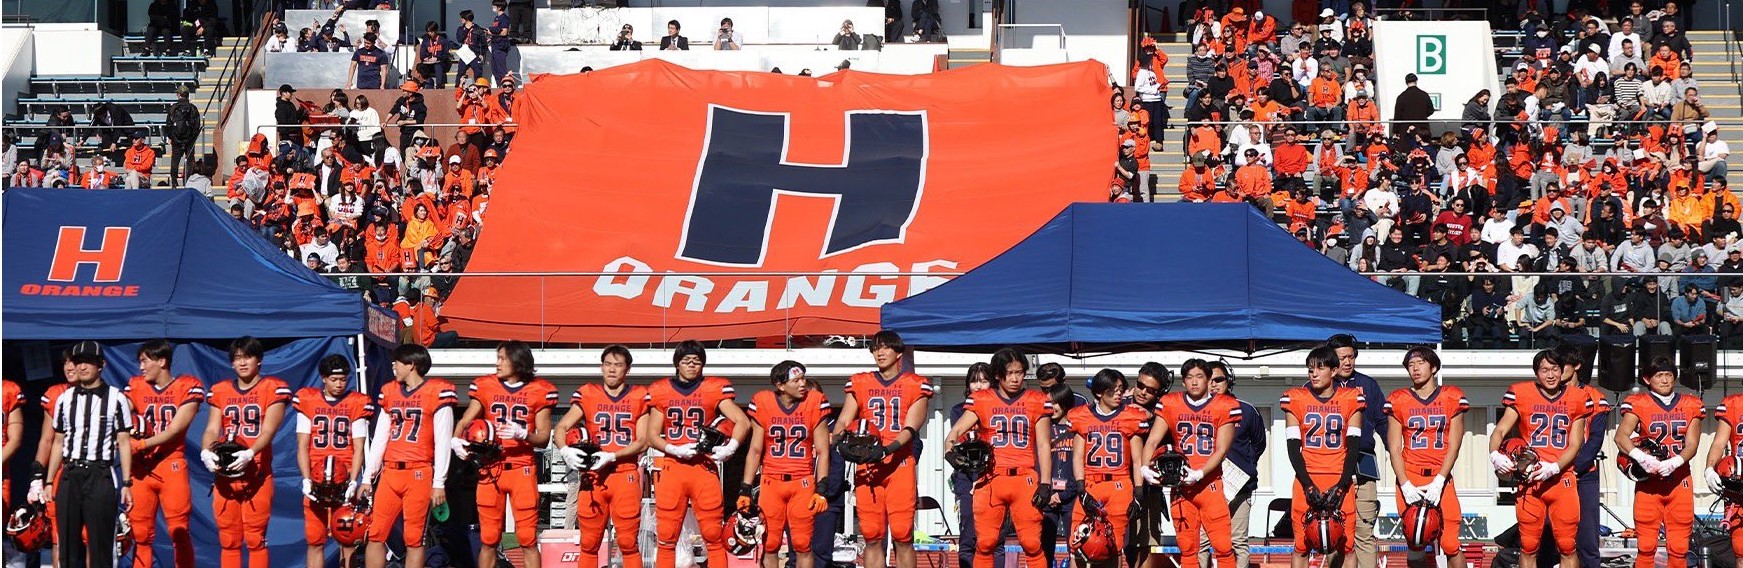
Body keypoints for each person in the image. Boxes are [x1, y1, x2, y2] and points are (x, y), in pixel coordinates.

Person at [644, 340, 753, 568]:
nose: (692, 365)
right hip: (673, 466)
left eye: (697, 361)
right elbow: (652, 435)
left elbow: (742, 421)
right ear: (677, 364)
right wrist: (673, 448)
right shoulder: (660, 390)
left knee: (713, 533)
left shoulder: (713, 388)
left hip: (703, 466)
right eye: (687, 361)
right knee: (666, 535)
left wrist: (730, 447)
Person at [946, 348, 1054, 568]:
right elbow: (954, 432)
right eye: (1009, 373)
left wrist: (1045, 483)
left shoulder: (1037, 400)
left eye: (1019, 372)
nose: (1015, 379)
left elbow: (1044, 444)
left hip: (1024, 477)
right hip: (991, 477)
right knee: (985, 543)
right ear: (997, 374)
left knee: (1032, 543)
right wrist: (949, 452)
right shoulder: (982, 399)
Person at [835, 331, 933, 568]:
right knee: (871, 535)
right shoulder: (860, 382)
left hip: (899, 464)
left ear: (899, 353)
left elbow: (911, 428)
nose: (880, 352)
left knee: (902, 535)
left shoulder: (915, 384)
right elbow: (843, 421)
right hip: (868, 463)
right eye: (876, 348)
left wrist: (887, 450)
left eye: (886, 347)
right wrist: (840, 442)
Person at [455, 340, 557, 568]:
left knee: (527, 538)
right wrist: (456, 440)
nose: (498, 363)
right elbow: (465, 420)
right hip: (491, 467)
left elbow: (543, 437)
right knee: (488, 538)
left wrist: (524, 434)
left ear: (517, 361)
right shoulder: (486, 385)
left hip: (522, 467)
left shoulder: (540, 390)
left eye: (503, 358)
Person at [359, 344, 458, 568]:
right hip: (390, 472)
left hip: (419, 472)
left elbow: (443, 441)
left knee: (414, 538)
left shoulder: (437, 391)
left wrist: (439, 482)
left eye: (398, 362)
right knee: (375, 533)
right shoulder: (390, 391)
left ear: (411, 364)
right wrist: (368, 477)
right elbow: (380, 437)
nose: (393, 366)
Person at [1490, 350, 1590, 568]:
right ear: (1536, 372)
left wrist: (1555, 467)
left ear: (1562, 370)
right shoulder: (1521, 393)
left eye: (1555, 369)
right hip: (1530, 481)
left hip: (1562, 479)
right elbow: (1500, 430)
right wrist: (1494, 454)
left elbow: (1576, 444)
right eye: (1544, 370)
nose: (1550, 375)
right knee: (1528, 545)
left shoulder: (1577, 397)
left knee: (1567, 545)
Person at [199, 336, 291, 568]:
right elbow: (212, 429)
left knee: (255, 538)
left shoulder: (273, 388)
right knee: (228, 539)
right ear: (231, 362)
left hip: (256, 472)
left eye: (247, 357)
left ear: (259, 360)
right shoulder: (220, 390)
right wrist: (206, 452)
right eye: (237, 358)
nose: (242, 362)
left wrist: (250, 453)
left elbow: (269, 430)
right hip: (226, 472)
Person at [555, 345, 649, 568]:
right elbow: (561, 427)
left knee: (628, 542)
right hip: (593, 477)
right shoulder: (588, 393)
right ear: (601, 367)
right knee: (589, 543)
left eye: (618, 365)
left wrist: (612, 456)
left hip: (624, 474)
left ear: (627, 369)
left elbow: (643, 441)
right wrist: (564, 450)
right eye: (608, 364)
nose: (612, 369)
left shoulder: (639, 395)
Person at [43, 341, 134, 568]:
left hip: (99, 473)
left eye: (88, 362)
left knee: (101, 543)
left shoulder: (116, 398)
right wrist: (49, 480)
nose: (82, 367)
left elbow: (124, 442)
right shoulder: (65, 398)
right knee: (67, 544)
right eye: (78, 362)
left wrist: (126, 482)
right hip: (70, 472)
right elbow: (58, 441)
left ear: (101, 365)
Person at [1143, 359, 1238, 568]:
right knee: (1187, 548)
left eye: (1199, 377)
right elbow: (1152, 441)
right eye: (1189, 377)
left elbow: (1222, 449)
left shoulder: (1224, 405)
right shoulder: (1171, 403)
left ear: (1208, 379)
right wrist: (1145, 467)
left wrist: (1200, 472)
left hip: (1210, 484)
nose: (1194, 382)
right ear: (1183, 381)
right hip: (1181, 485)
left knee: (1223, 546)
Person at [739, 361, 832, 568]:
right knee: (770, 543)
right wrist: (745, 488)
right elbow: (755, 450)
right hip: (771, 482)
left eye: (803, 379)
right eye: (796, 380)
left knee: (802, 544)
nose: (802, 384)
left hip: (803, 482)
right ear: (780, 385)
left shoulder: (815, 401)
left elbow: (822, 450)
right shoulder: (763, 402)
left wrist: (822, 487)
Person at [1383, 347, 1468, 568]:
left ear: (1434, 367)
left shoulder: (1451, 396)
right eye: (1411, 365)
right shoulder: (1398, 399)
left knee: (1450, 543)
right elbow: (1394, 447)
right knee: (1415, 539)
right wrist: (1405, 484)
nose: (1415, 369)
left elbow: (1454, 445)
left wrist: (1440, 480)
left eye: (1420, 363)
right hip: (1410, 474)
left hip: (1441, 476)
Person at [1616, 358, 1703, 568]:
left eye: (1668, 375)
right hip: (1650, 483)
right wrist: (1642, 458)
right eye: (1659, 375)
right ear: (1648, 379)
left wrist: (1675, 461)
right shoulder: (1638, 402)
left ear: (1675, 377)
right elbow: (1621, 437)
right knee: (1646, 546)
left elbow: (1692, 444)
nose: (1664, 380)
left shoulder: (1691, 404)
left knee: (1679, 548)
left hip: (1679, 480)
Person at [124, 340, 203, 568]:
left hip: (171, 464)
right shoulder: (136, 386)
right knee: (140, 533)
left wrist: (140, 444)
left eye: (145, 361)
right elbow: (119, 413)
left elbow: (174, 429)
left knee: (179, 530)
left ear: (161, 361)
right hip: (141, 468)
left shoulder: (187, 386)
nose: (141, 367)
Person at [1281, 347, 1362, 568]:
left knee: (1347, 545)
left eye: (1320, 368)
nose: (1314, 374)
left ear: (1334, 371)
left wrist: (1342, 485)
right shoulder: (1296, 398)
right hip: (1306, 477)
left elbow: (1353, 447)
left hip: (1340, 477)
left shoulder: (1350, 398)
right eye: (1310, 369)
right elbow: (1292, 448)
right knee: (1301, 545)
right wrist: (1307, 484)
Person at [295, 355, 374, 568]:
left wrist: (353, 481)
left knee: (348, 539)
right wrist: (306, 479)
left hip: (344, 479)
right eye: (334, 379)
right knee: (315, 540)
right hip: (317, 479)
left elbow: (359, 447)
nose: (339, 384)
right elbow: (302, 445)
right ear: (323, 378)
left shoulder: (356, 402)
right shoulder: (308, 400)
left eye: (343, 379)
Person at [1066, 368, 1148, 568]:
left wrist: (1138, 492)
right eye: (1113, 389)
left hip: (1119, 485)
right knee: (1077, 543)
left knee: (1113, 545)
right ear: (1099, 391)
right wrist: (1081, 489)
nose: (1119, 393)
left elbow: (1138, 460)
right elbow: (1077, 456)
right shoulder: (1081, 415)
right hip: (1091, 484)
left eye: (1121, 388)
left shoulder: (1132, 416)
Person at [1326, 333, 1384, 568]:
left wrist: (1396, 453)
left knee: (1364, 531)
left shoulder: (1368, 385)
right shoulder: (1316, 386)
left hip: (1363, 463)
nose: (1347, 362)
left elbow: (1383, 422)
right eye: (1342, 358)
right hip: (1330, 465)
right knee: (1333, 531)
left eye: (1351, 357)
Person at [1201, 361, 1261, 568]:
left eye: (1218, 379)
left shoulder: (1247, 410)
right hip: (1205, 486)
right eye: (1208, 380)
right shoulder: (1195, 410)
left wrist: (1243, 466)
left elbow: (1259, 444)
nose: (1213, 385)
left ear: (1229, 381)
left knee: (1238, 542)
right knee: (1202, 542)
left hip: (1239, 487)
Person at [950, 364, 1002, 568]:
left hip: (994, 473)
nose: (979, 386)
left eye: (984, 380)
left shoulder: (999, 409)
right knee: (968, 536)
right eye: (974, 381)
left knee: (995, 538)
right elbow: (958, 442)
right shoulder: (958, 410)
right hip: (966, 473)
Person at [165, 86, 201, 186]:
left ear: (178, 95)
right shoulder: (192, 108)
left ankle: (174, 181)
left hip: (176, 139)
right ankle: (188, 181)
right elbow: (197, 125)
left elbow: (168, 124)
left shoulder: (173, 108)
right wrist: (192, 137)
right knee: (189, 160)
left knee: (175, 160)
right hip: (189, 140)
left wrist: (172, 137)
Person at [1392, 73, 1435, 138]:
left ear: (1406, 82)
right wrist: (1422, 115)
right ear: (1416, 81)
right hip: (1422, 128)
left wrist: (1396, 131)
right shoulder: (1424, 95)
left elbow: (1397, 115)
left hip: (1406, 128)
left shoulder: (1401, 97)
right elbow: (1431, 110)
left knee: (1408, 143)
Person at [489, 1, 514, 82]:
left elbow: (504, 32)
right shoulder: (496, 18)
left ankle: (505, 85)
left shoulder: (504, 18)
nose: (493, 7)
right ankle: (499, 84)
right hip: (495, 44)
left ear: (499, 7)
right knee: (494, 68)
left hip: (501, 45)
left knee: (501, 69)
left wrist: (492, 33)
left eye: (494, 6)